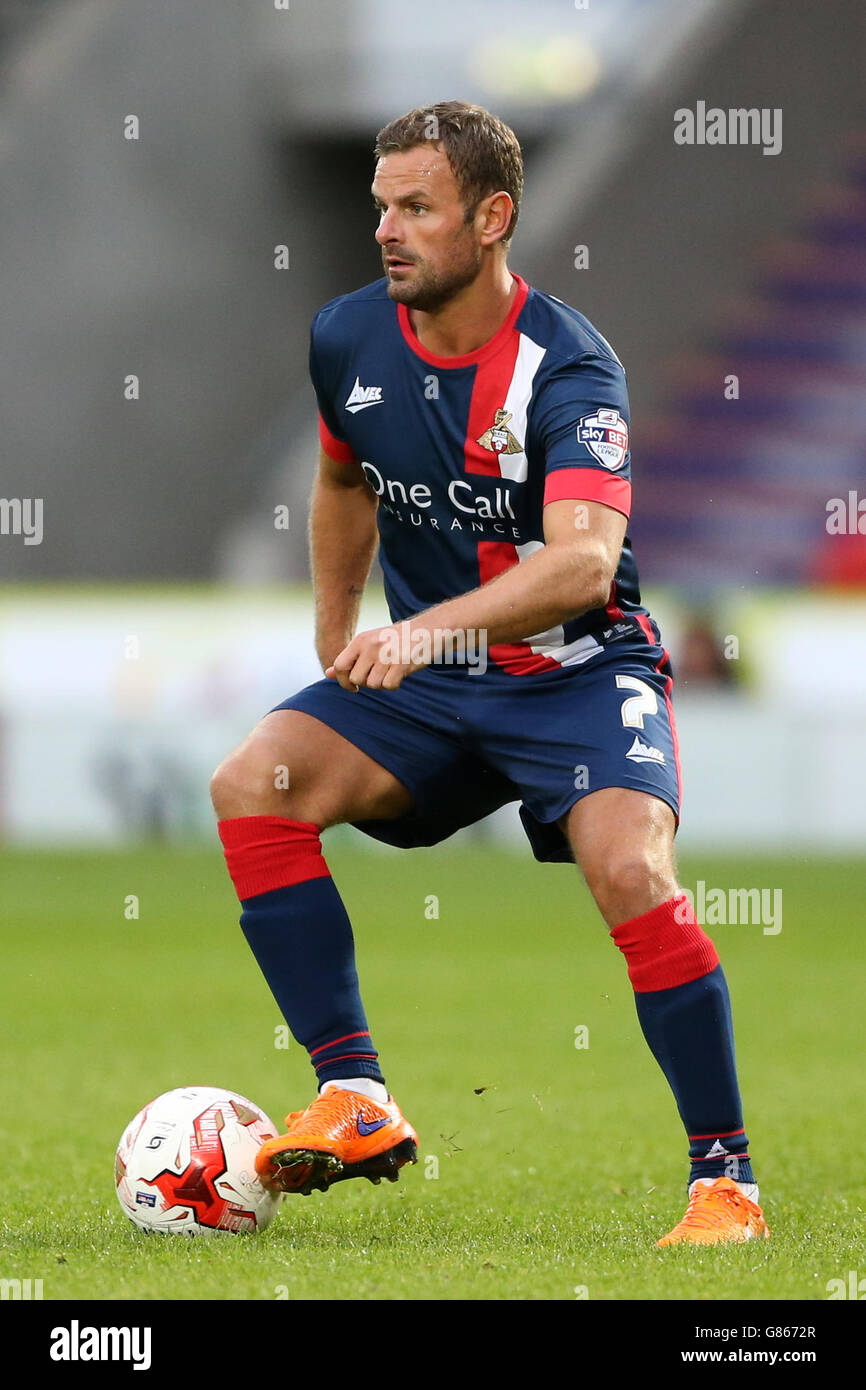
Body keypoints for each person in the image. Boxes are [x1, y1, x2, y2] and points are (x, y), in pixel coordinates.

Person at [210, 101, 768, 1246]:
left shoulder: (568, 370)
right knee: (254, 780)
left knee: (627, 867)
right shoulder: (347, 336)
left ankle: (725, 1186)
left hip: (575, 672)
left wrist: (417, 631)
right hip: (432, 687)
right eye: (380, 204)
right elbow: (342, 480)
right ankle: (355, 1091)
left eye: (415, 207)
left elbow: (581, 564)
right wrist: (334, 630)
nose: (386, 229)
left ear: (491, 215)